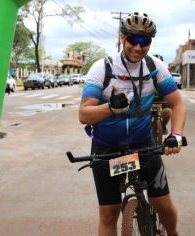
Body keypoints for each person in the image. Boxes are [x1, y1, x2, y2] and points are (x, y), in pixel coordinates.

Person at [79, 12, 186, 236]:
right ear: (122, 38)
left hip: (143, 146)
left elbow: (177, 103)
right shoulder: (102, 69)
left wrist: (175, 134)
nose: (138, 47)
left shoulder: (155, 67)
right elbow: (84, 115)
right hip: (107, 149)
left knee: (163, 206)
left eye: (144, 42)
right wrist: (110, 108)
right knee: (109, 214)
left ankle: (173, 234)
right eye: (133, 40)